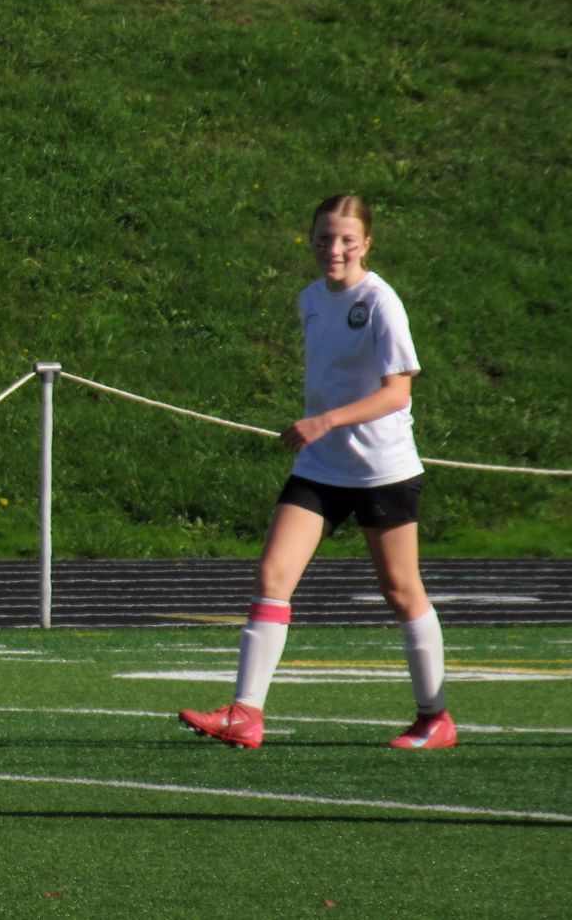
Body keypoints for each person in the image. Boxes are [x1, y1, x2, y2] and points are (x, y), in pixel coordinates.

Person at [181, 194, 453, 751]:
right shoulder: (310, 298)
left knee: (401, 590)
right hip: (321, 467)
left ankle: (435, 718)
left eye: (347, 240)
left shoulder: (381, 302)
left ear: (366, 244)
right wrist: (321, 433)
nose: (334, 249)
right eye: (324, 238)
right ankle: (246, 714)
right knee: (273, 576)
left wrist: (324, 421)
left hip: (382, 469)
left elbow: (397, 392)